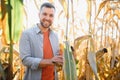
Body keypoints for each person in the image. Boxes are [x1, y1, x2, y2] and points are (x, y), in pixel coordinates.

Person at [19, 2, 63, 80]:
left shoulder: (55, 36)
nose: (47, 18)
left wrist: (63, 59)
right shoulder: (27, 34)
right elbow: (25, 60)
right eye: (44, 14)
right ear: (39, 14)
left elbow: (56, 60)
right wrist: (50, 61)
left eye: (51, 15)